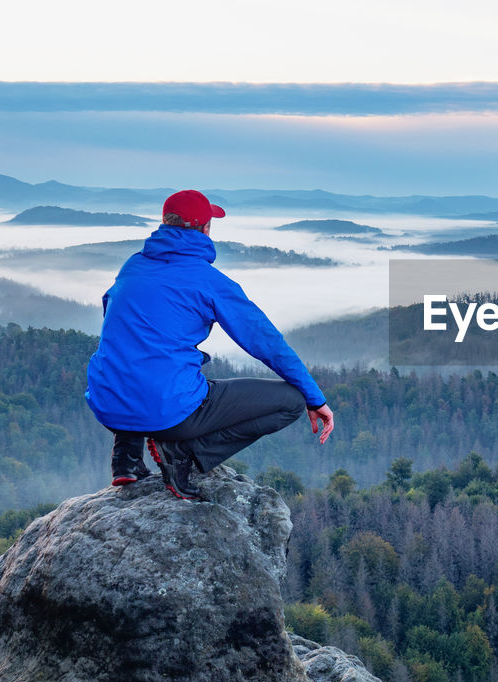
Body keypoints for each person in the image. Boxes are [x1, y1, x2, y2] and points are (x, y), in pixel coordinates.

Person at [85, 189, 334, 500]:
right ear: (205, 229)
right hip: (168, 412)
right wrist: (314, 398)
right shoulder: (208, 280)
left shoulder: (132, 266)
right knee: (291, 402)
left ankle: (126, 457)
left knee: (135, 362)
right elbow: (266, 341)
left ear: (165, 224)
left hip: (107, 403)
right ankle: (181, 453)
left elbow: (116, 322)